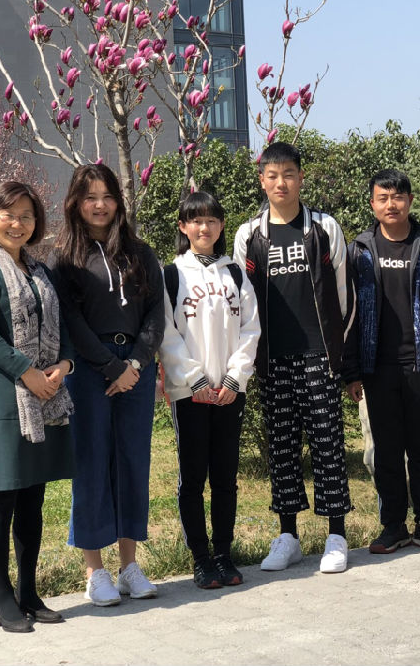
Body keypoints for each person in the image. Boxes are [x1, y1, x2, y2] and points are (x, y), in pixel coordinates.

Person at [0, 181, 76, 632]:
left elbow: (62, 327)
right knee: (3, 496)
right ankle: (2, 596)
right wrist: (27, 372)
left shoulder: (41, 272)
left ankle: (29, 591)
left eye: (27, 216)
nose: (18, 223)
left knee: (32, 498)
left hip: (43, 393)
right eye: (9, 214)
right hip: (1, 394)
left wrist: (63, 365)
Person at [233, 142, 355, 574]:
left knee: (328, 445)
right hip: (273, 358)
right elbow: (242, 301)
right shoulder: (249, 234)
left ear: (301, 178)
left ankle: (337, 535)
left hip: (318, 354)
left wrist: (336, 351)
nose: (280, 182)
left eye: (288, 174)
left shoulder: (324, 227)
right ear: (262, 181)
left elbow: (344, 293)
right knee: (281, 449)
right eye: (272, 175)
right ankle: (288, 536)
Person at [51, 164, 165, 605]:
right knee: (92, 462)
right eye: (90, 197)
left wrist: (134, 363)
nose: (99, 205)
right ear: (76, 204)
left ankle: (129, 566)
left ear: (118, 201)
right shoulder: (66, 258)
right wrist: (110, 367)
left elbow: (155, 314)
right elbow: (71, 321)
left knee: (133, 461)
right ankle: (94, 571)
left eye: (107, 196)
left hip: (136, 366)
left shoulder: (140, 253)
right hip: (89, 369)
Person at [343, 169, 420, 555]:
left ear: (409, 200)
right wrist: (352, 371)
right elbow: (348, 314)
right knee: (387, 452)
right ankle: (392, 526)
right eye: (383, 198)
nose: (390, 204)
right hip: (378, 368)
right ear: (372, 204)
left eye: (397, 197)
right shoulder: (360, 249)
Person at [158, 191, 260, 590]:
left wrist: (235, 378)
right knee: (193, 477)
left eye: (212, 220)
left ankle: (223, 554)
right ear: (183, 227)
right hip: (191, 394)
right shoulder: (172, 274)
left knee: (225, 477)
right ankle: (201, 559)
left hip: (229, 392)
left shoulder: (234, 273)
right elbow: (167, 334)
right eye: (196, 220)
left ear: (221, 226)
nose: (205, 227)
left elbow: (250, 329)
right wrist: (195, 379)